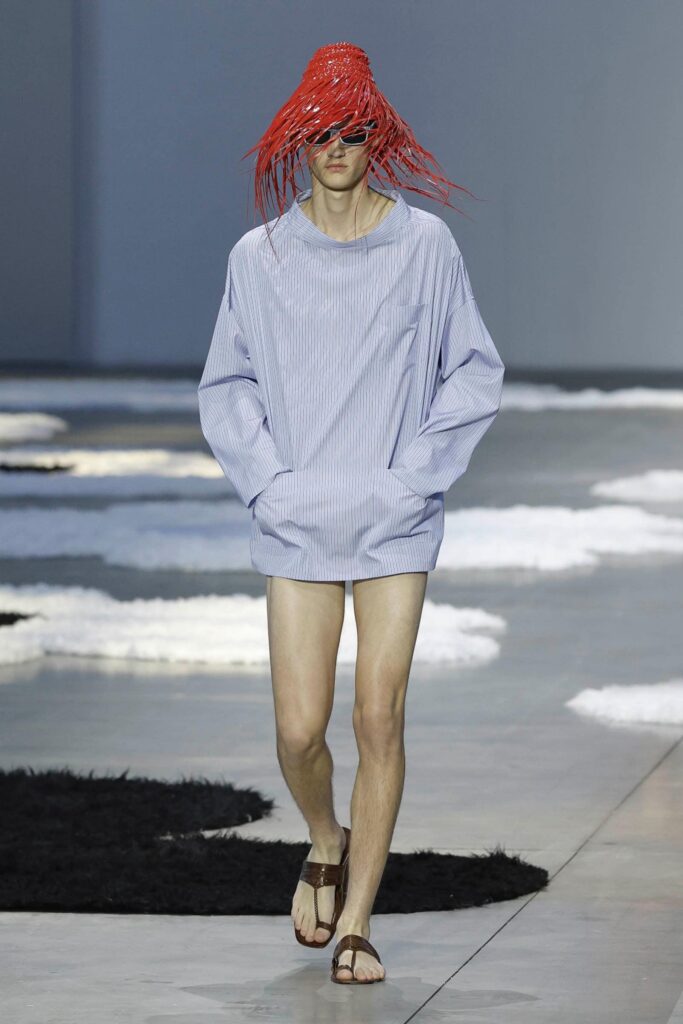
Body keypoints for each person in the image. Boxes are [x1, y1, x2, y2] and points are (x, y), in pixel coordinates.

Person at [197, 41, 505, 985]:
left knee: (379, 715)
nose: (335, 143)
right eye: (318, 128)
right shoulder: (261, 256)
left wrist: (412, 478)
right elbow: (228, 382)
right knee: (298, 731)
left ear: (377, 135)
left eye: (352, 127)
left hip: (393, 520)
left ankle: (361, 920)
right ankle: (323, 839)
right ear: (298, 136)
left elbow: (473, 369)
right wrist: (270, 483)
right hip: (297, 517)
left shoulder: (424, 247)